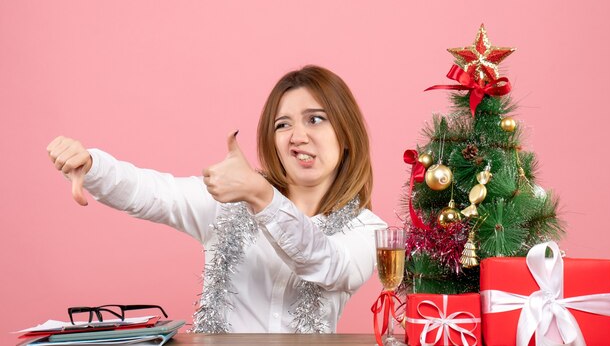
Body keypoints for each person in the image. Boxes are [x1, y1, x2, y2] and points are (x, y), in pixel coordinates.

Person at [47, 65, 387, 334]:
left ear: (345, 135)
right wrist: (91, 166)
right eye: (282, 125)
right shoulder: (229, 203)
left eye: (315, 119)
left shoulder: (368, 229)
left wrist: (262, 196)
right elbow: (150, 192)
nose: (297, 137)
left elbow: (330, 266)